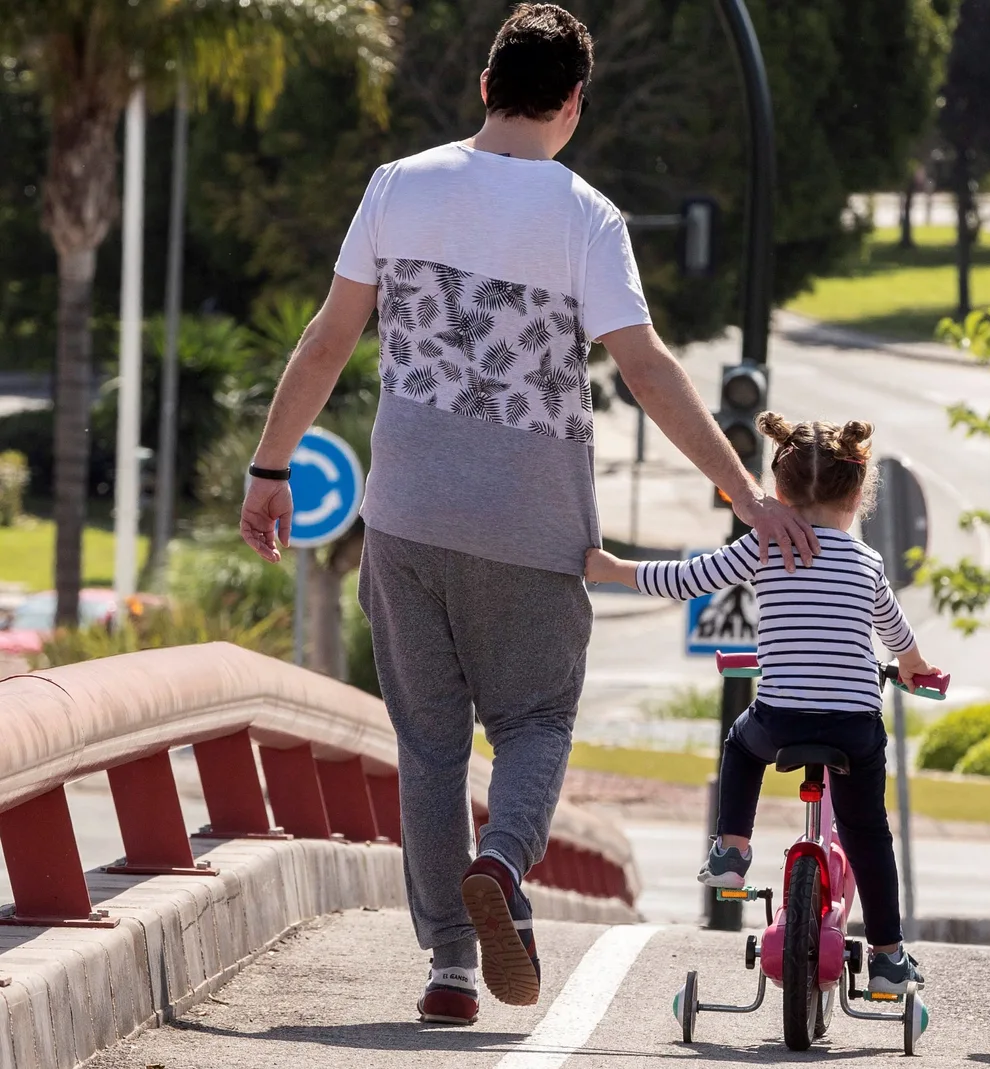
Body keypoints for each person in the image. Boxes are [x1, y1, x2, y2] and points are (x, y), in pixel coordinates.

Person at [237, 3, 816, 1027]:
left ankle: (450, 969)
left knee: (428, 745)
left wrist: (269, 466)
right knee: (536, 719)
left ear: (484, 85)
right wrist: (745, 495)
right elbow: (646, 367)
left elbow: (329, 338)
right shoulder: (585, 217)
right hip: (532, 523)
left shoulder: (396, 186)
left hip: (407, 513)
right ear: (575, 104)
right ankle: (501, 863)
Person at [586, 413, 936, 995]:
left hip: (780, 718)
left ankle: (731, 850)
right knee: (868, 833)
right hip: (854, 727)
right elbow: (897, 637)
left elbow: (687, 579)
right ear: (858, 495)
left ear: (777, 491)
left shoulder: (763, 545)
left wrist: (616, 569)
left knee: (740, 745)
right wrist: (916, 667)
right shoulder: (869, 564)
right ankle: (889, 959)